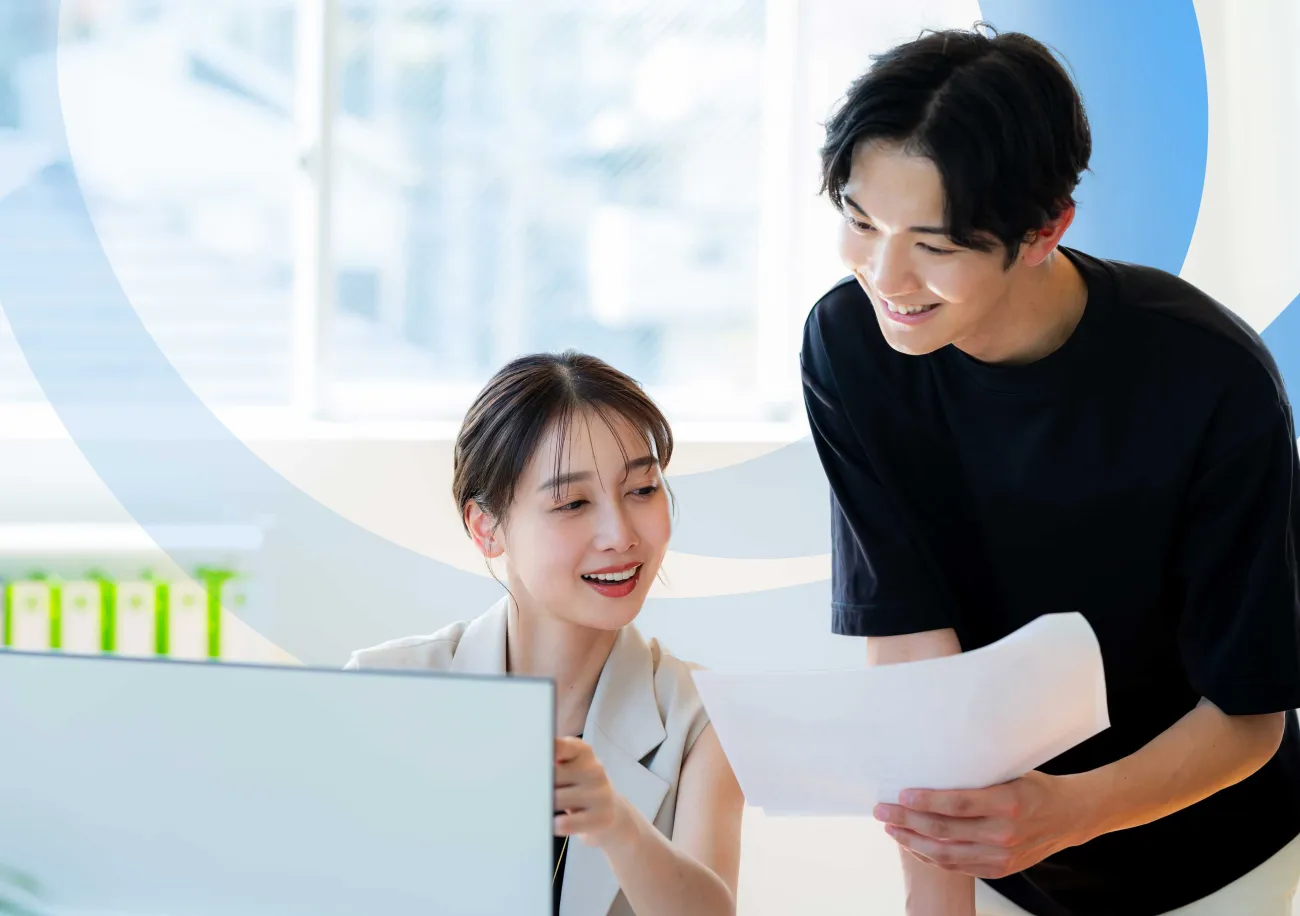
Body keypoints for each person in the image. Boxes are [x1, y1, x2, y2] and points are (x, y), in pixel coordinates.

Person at [801, 24, 1300, 916]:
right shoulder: (850, 346)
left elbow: (1250, 716)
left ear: (1044, 230)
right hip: (999, 857)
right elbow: (913, 648)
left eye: (934, 245)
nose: (884, 274)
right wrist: (939, 893)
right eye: (860, 221)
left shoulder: (1210, 378)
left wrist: (1068, 811)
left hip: (1217, 856)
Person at [345, 352, 744, 916]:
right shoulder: (381, 687)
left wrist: (617, 825)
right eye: (572, 502)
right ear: (486, 528)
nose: (619, 534)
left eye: (642, 490)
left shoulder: (703, 714)